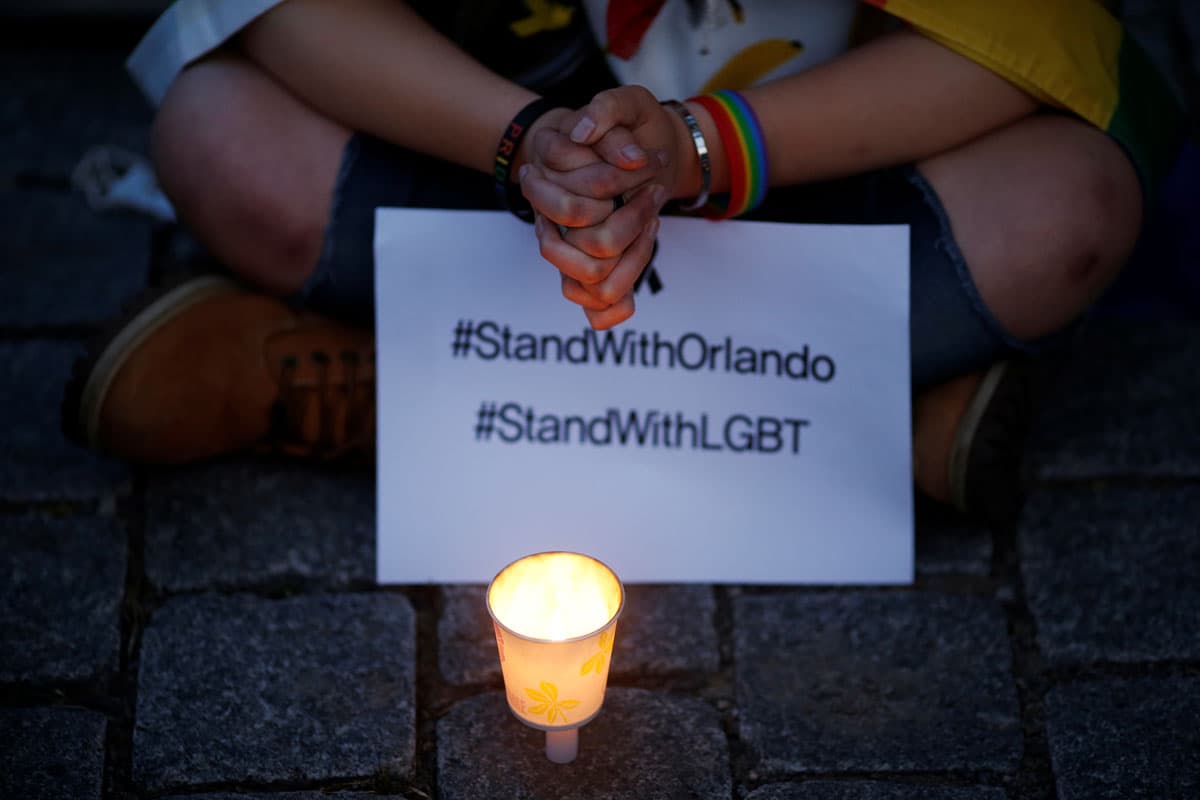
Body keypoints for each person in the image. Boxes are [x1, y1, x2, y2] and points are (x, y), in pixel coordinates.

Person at [62, 0, 1183, 524]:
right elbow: (279, 12)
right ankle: (843, 420)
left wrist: (703, 148)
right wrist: (523, 145)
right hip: (473, 167)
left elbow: (1019, 51)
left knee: (1069, 201)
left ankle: (399, 394)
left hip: (815, 167)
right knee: (215, 127)